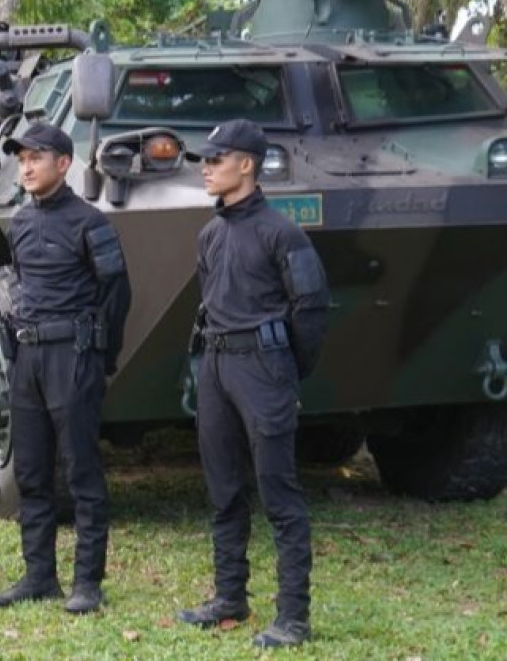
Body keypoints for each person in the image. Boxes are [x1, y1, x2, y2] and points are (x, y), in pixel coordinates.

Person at [176, 118, 330, 649]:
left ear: (247, 164)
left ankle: (293, 617)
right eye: (205, 160)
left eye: (216, 160)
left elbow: (311, 311)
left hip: (263, 370)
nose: (206, 168)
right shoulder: (210, 233)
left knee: (279, 495)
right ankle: (229, 597)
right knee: (222, 489)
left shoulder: (282, 232)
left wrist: (286, 373)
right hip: (216, 367)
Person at [0, 122, 131, 615]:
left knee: (82, 472)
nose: (26, 167)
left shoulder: (90, 223)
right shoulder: (21, 223)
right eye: (21, 159)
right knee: (30, 471)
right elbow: (22, 283)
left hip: (73, 358)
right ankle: (39, 576)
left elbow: (118, 294)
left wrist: (100, 356)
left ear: (64, 164)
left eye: (36, 158)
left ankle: (87, 583)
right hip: (26, 359)